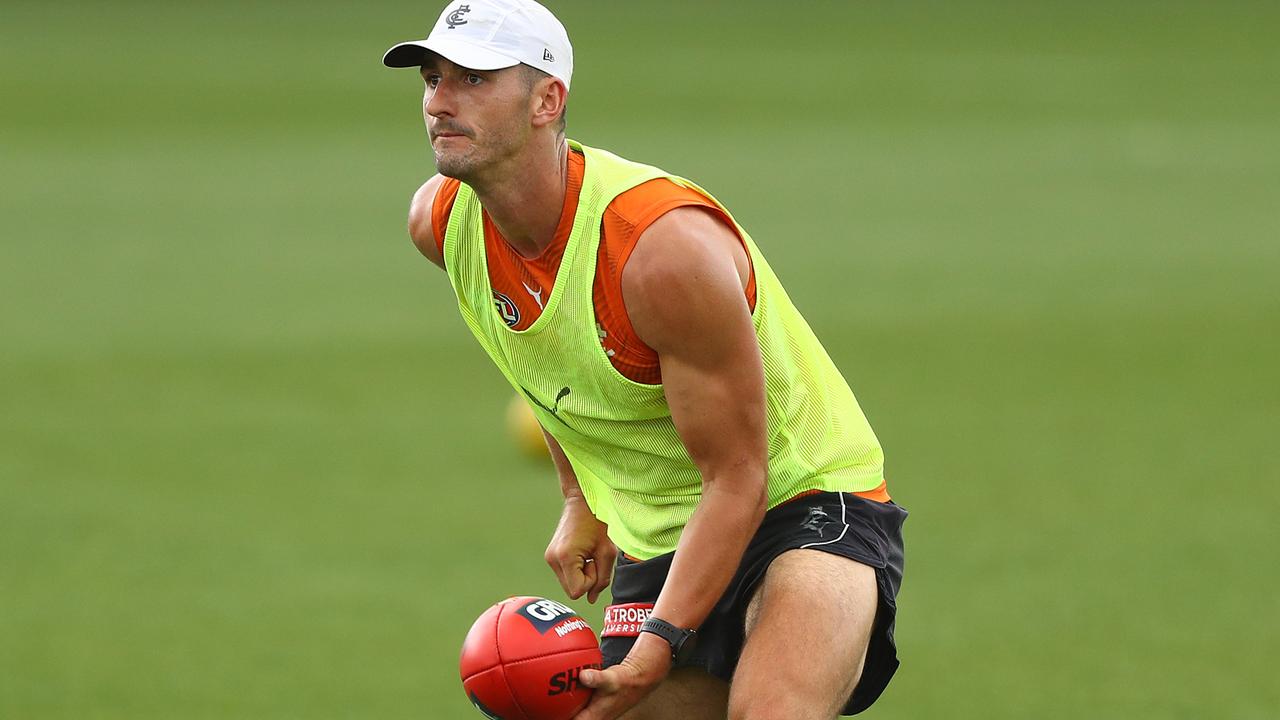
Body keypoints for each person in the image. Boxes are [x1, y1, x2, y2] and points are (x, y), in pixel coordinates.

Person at [382, 2, 907, 718]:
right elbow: (549, 369)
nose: (439, 101)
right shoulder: (442, 226)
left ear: (547, 100)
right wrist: (579, 501)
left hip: (804, 503)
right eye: (433, 78)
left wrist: (659, 641)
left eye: (473, 79)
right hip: (661, 533)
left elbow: (740, 475)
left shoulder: (659, 253)